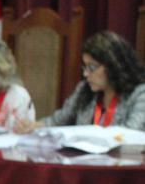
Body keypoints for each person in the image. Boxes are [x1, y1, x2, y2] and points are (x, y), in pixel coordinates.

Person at [15, 31, 145, 132]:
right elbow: (57, 121)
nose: (85, 74)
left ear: (113, 65)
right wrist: (33, 126)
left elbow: (132, 134)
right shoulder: (85, 89)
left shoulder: (140, 93)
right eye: (85, 66)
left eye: (92, 67)